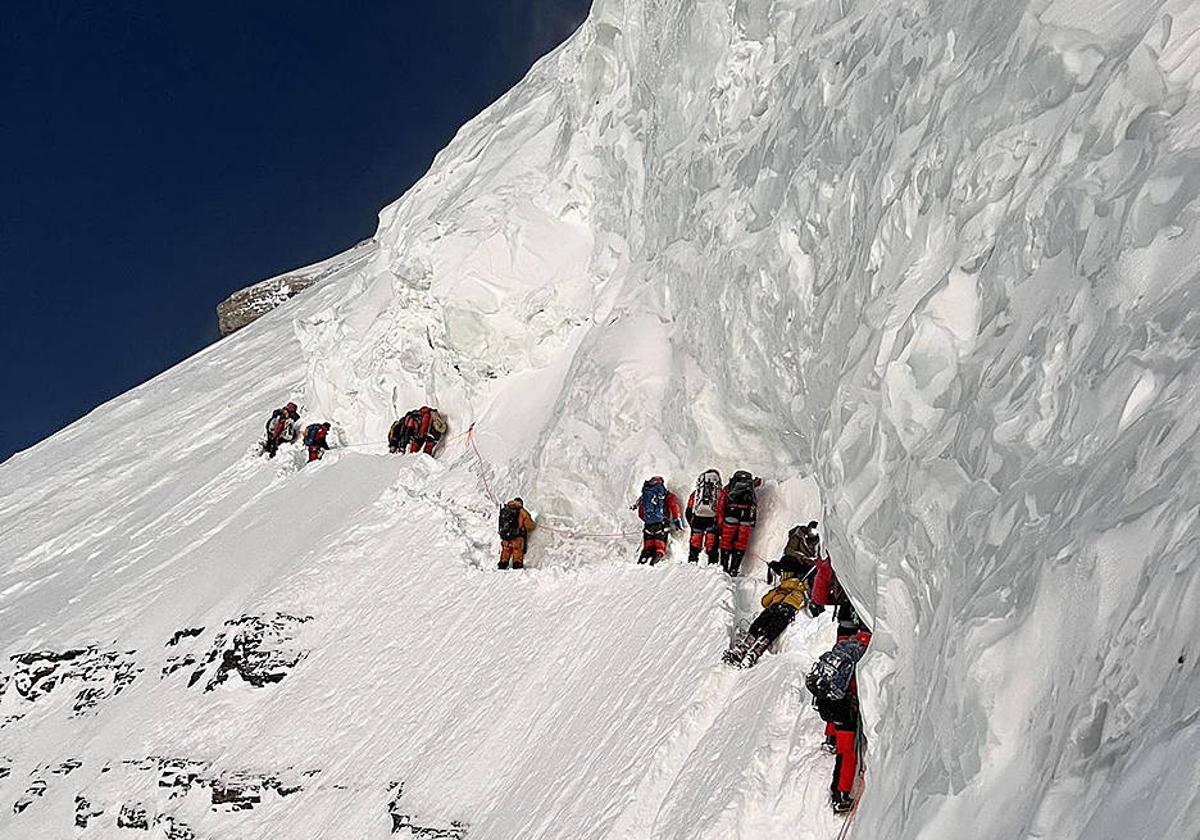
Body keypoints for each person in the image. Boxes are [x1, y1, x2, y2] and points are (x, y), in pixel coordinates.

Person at [806, 630, 871, 813]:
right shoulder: (862, 657)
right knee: (848, 753)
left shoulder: (844, 647)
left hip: (827, 702)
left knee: (841, 742)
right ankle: (840, 794)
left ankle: (830, 739)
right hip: (843, 708)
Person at [722, 577, 809, 668]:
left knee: (771, 629)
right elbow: (765, 602)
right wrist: (778, 591)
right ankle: (744, 648)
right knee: (757, 624)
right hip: (774, 606)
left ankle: (754, 653)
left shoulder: (799, 592)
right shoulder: (779, 591)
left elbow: (799, 587)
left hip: (789, 608)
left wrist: (791, 587)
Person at [716, 470, 759, 575]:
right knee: (741, 543)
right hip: (746, 517)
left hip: (731, 515)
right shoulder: (750, 488)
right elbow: (754, 503)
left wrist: (720, 521)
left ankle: (724, 567)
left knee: (726, 541)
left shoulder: (728, 488)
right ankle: (735, 568)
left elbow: (721, 503)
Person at [633, 476, 684, 565]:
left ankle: (640, 564)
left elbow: (641, 513)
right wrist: (676, 519)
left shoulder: (646, 494)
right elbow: (674, 505)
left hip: (648, 525)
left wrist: (648, 520)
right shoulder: (665, 494)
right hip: (661, 525)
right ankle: (653, 566)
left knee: (647, 548)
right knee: (659, 549)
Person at [685, 469, 722, 564]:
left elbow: (689, 508)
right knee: (712, 545)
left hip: (698, 519)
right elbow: (721, 508)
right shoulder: (719, 493)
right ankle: (712, 566)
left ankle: (692, 563)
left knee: (695, 544)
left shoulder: (697, 493)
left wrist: (692, 523)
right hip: (712, 520)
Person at [498, 497, 536, 570]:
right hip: (516, 536)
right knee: (517, 550)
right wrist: (534, 525)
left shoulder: (506, 509)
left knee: (506, 550)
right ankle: (517, 566)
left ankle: (502, 565)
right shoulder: (522, 511)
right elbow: (529, 526)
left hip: (506, 536)